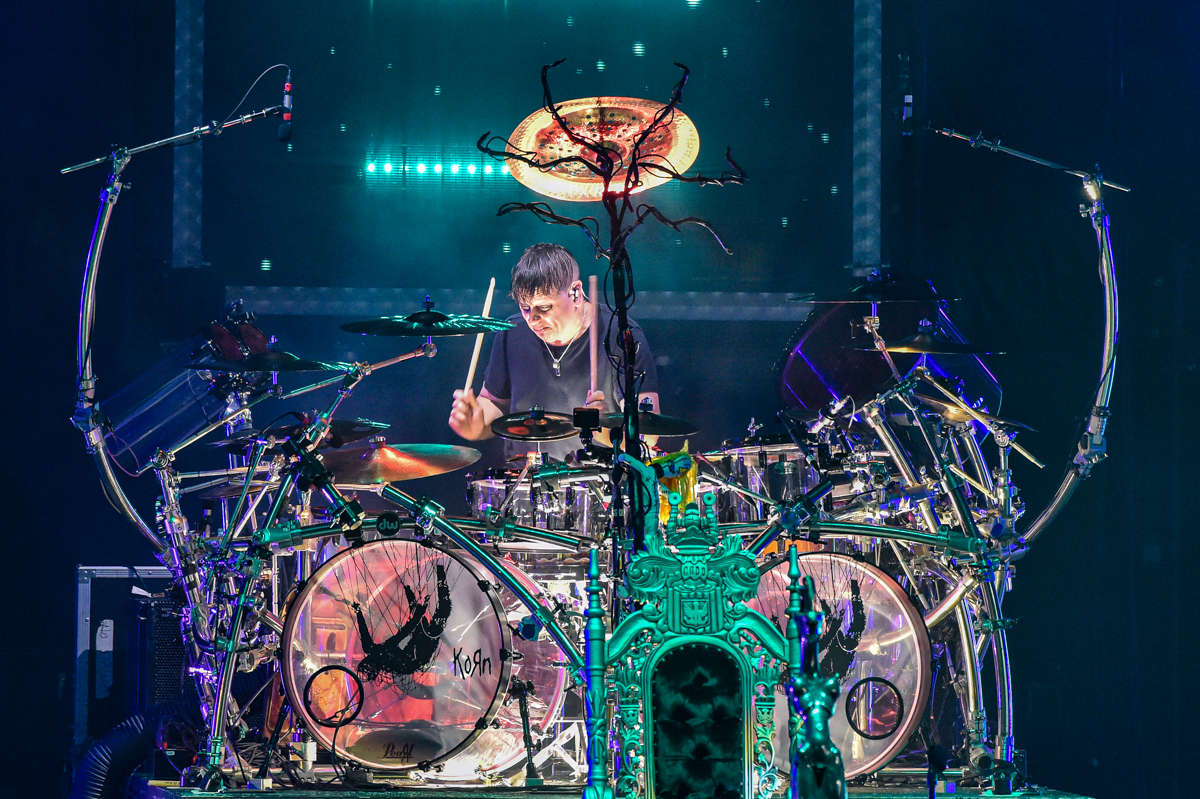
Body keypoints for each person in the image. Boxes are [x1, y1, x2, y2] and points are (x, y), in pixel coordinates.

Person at [448, 243, 659, 462]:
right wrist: (477, 424)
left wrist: (605, 430)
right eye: (525, 307)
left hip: (600, 484)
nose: (532, 319)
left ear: (576, 293)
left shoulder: (621, 336)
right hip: (526, 482)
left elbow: (649, 436)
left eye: (544, 307)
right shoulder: (512, 332)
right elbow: (495, 404)